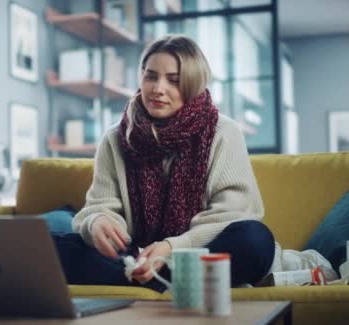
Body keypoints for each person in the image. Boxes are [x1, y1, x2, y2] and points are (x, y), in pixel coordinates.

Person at [52, 35, 276, 291]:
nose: (158, 88)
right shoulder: (116, 138)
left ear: (192, 84)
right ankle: (158, 279)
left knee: (255, 241)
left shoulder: (224, 132)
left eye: (174, 80)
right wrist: (98, 223)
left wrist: (171, 248)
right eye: (151, 76)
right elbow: (100, 206)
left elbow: (234, 214)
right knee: (51, 248)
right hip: (135, 254)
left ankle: (150, 280)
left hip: (194, 252)